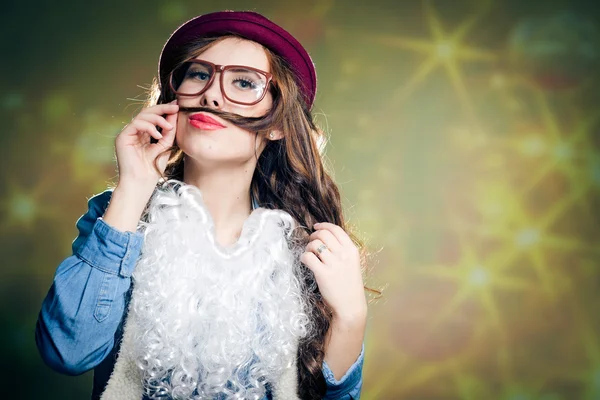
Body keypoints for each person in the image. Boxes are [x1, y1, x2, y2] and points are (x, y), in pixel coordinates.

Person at [36, 10, 368, 400]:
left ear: (277, 122)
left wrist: (351, 318)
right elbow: (68, 352)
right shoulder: (117, 217)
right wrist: (134, 185)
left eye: (244, 82)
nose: (212, 94)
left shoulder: (307, 251)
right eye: (198, 74)